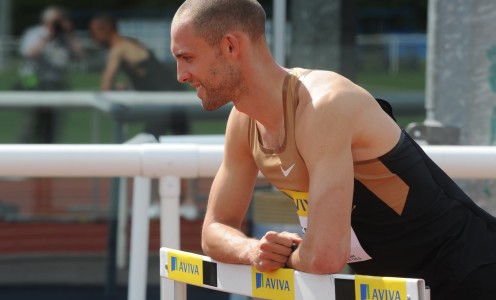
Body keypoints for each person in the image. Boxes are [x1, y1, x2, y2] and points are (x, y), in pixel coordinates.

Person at [170, 0, 496, 299]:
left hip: (472, 275)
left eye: (188, 58)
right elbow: (214, 231)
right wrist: (253, 251)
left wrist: (283, 256)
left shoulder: (323, 105)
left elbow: (325, 256)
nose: (181, 75)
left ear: (230, 45)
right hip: (395, 287)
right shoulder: (243, 122)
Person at [89, 14, 189, 137]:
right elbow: (148, 73)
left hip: (163, 100)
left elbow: (106, 87)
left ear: (106, 29)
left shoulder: (118, 49)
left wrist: (113, 90)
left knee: (149, 142)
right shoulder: (130, 42)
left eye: (94, 33)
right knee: (183, 143)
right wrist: (126, 86)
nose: (93, 38)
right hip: (175, 93)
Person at [18, 6, 84, 143]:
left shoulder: (66, 38)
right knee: (32, 121)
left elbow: (80, 56)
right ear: (45, 21)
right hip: (32, 81)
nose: (57, 25)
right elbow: (30, 54)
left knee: (53, 125)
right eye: (55, 21)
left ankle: (49, 153)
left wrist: (69, 33)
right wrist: (47, 36)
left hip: (55, 84)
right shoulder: (34, 33)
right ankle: (24, 151)